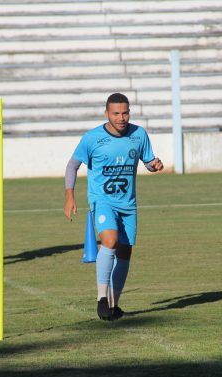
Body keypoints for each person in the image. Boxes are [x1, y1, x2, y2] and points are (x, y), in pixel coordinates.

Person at [63, 93, 164, 321]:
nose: (121, 118)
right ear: (106, 113)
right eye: (116, 113)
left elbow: (147, 161)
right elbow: (72, 166)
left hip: (128, 204)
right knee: (109, 240)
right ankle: (101, 298)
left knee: (125, 251)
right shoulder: (92, 138)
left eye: (125, 112)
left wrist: (154, 164)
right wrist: (69, 195)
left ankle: (113, 304)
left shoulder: (139, 135)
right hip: (103, 201)